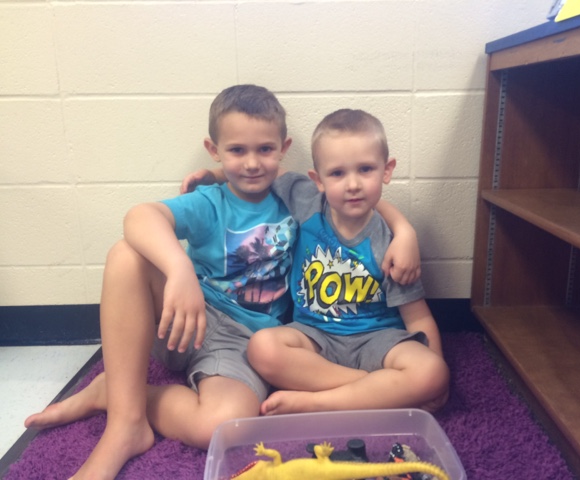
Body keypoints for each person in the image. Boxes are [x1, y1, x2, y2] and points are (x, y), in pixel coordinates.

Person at [24, 87, 420, 480]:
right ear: (214, 150)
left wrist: (404, 231)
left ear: (283, 149)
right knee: (126, 255)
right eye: (237, 151)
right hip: (188, 319)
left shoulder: (296, 194)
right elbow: (139, 216)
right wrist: (179, 269)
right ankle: (124, 425)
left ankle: (114, 392)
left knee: (223, 425)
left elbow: (356, 196)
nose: (252, 163)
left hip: (246, 343)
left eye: (264, 149)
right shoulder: (210, 202)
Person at [247, 108, 450, 416]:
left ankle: (315, 403)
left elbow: (418, 319)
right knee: (261, 347)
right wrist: (213, 175)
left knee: (431, 372)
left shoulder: (391, 243)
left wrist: (439, 378)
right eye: (337, 173)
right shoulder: (308, 203)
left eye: (365, 169)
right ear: (317, 180)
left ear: (386, 171)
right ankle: (374, 390)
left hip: (378, 342)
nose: (352, 184)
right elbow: (262, 171)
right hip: (314, 338)